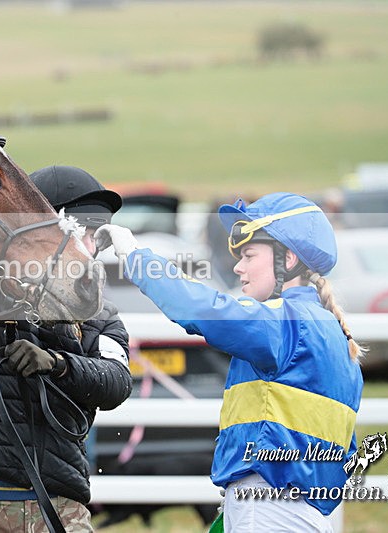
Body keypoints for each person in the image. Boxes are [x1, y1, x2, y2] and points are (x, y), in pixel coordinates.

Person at [96, 192, 364, 532]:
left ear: (290, 259)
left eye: (249, 255)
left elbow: (203, 309)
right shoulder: (335, 334)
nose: (238, 266)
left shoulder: (283, 322)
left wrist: (134, 256)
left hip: (268, 508)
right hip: (301, 511)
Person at [0, 165, 133, 532]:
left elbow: (116, 381)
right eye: (84, 233)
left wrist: (59, 363)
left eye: (99, 237)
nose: (93, 248)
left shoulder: (100, 313)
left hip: (57, 498)